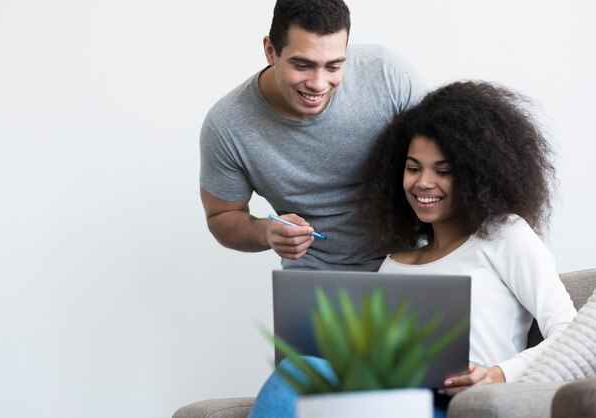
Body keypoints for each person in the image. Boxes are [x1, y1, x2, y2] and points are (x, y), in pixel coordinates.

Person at [247, 81, 577, 417]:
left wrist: (498, 374)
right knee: (298, 371)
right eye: (413, 168)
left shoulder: (503, 235)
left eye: (443, 171)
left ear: (478, 176)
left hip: (461, 406)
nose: (422, 183)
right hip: (391, 397)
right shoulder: (394, 263)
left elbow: (569, 331)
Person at [199, 0, 425, 270]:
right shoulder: (227, 125)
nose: (318, 84)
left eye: (333, 66)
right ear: (271, 51)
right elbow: (223, 214)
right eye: (302, 65)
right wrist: (266, 232)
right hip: (316, 268)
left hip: (413, 257)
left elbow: (445, 162)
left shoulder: (387, 74)